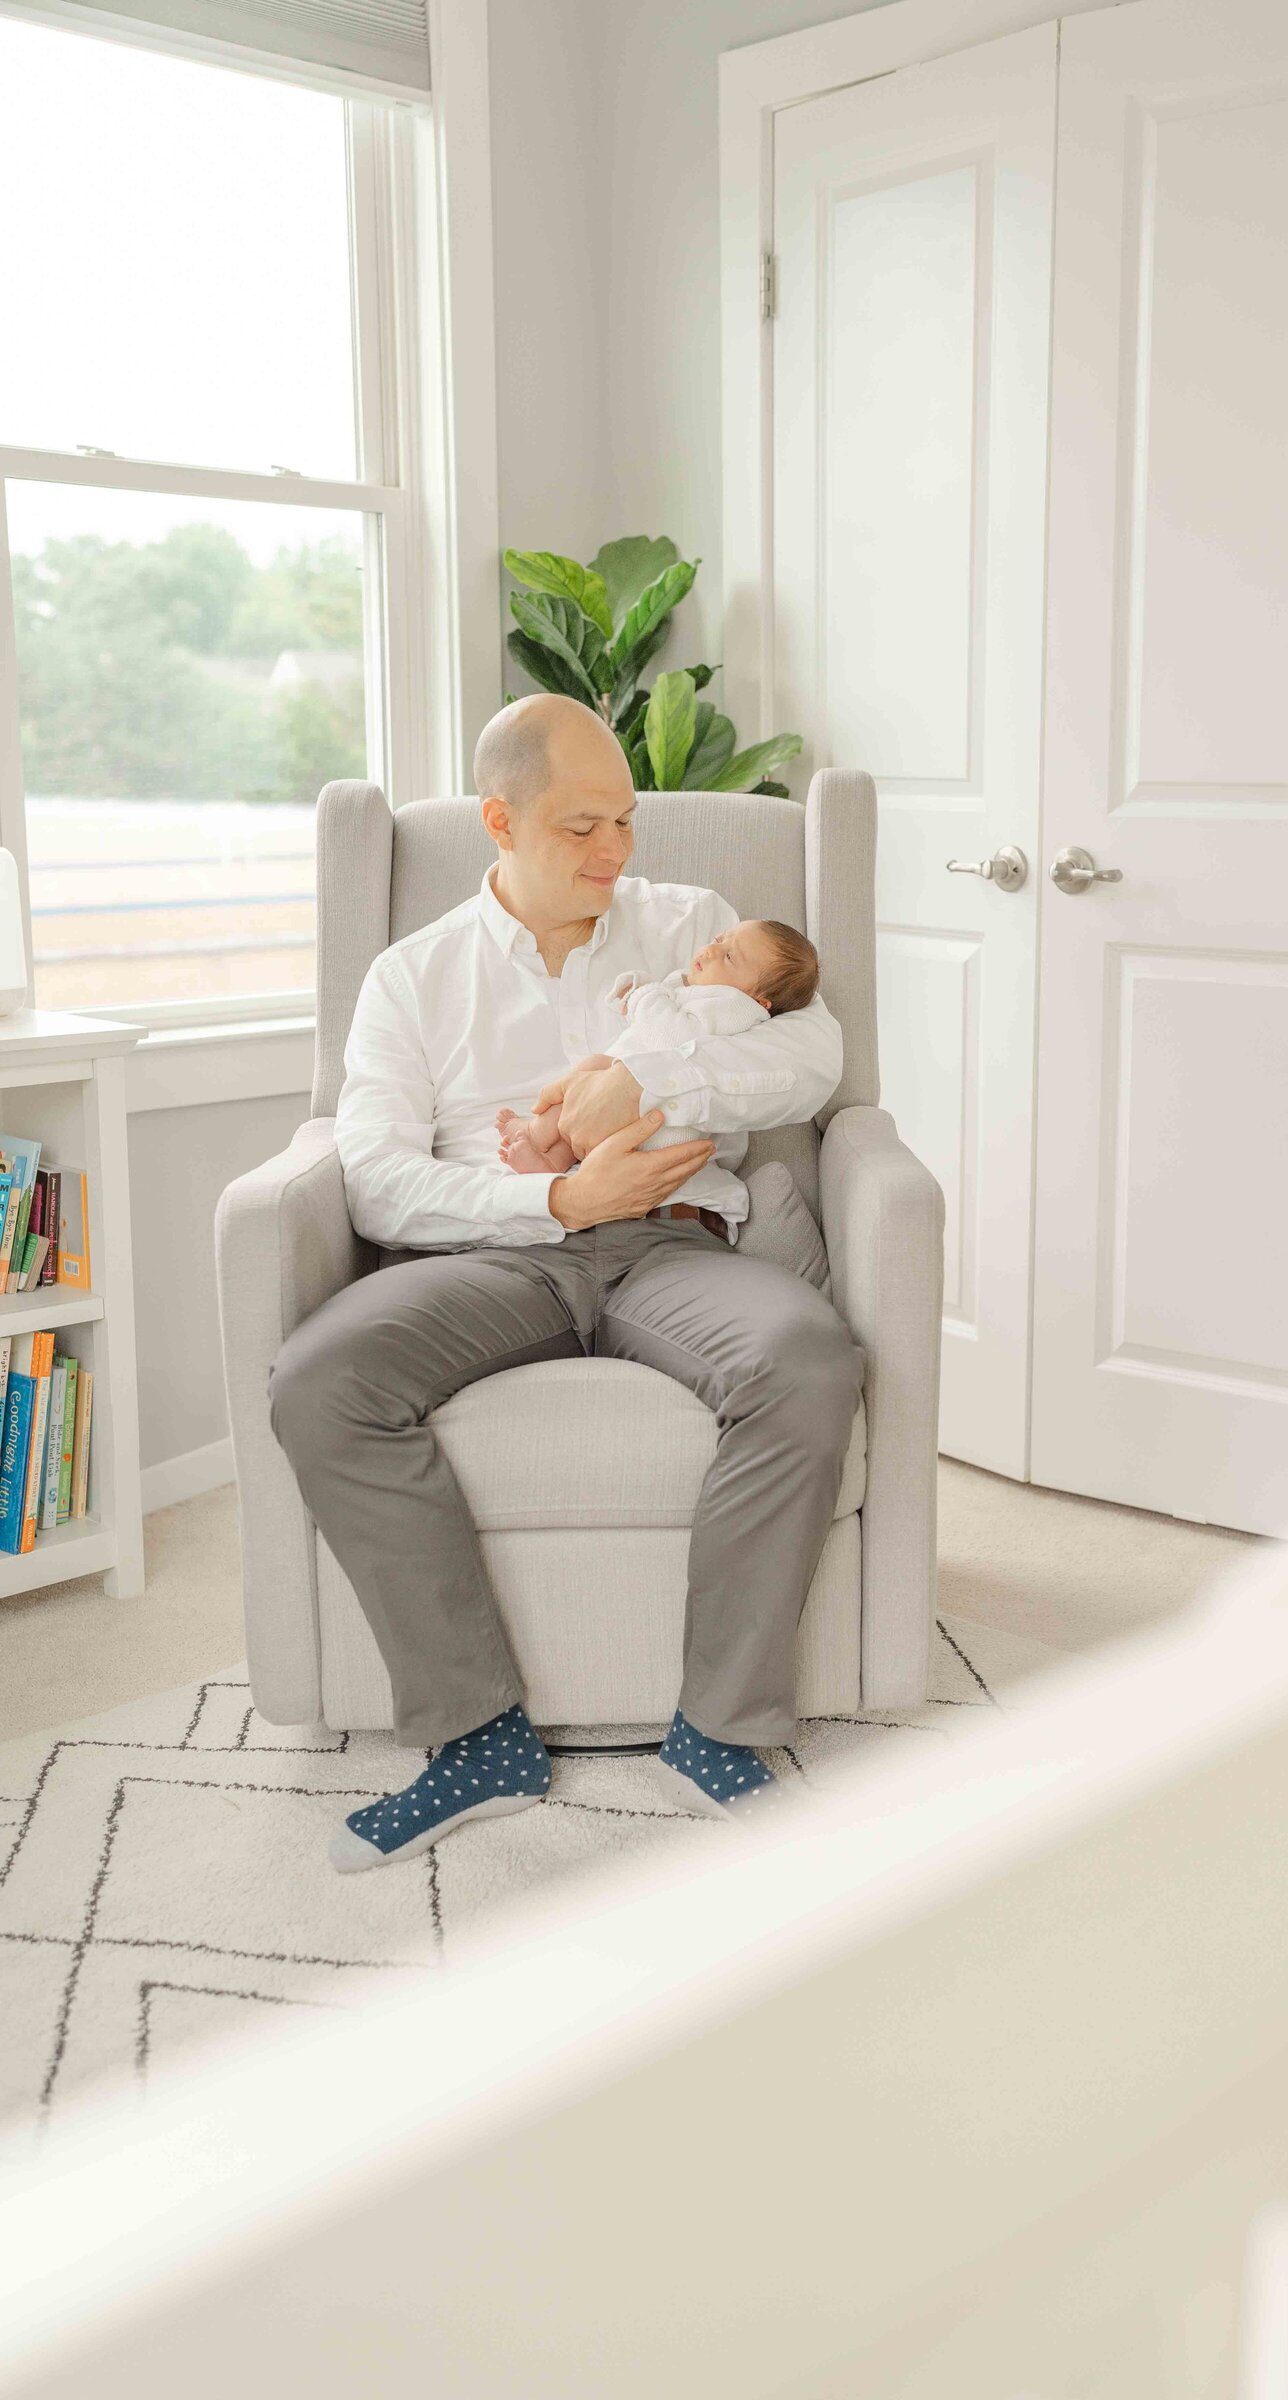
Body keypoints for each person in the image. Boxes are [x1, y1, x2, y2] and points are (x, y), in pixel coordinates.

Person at [266, 694, 864, 1869]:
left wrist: (653, 1099)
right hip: (487, 1255)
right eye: (581, 827)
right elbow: (378, 1176)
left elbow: (812, 1058)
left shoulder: (691, 921)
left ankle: (718, 1731)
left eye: (627, 822)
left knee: (806, 1359)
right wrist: (554, 1200)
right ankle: (478, 1736)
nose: (617, 854)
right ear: (500, 819)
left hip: (672, 1244)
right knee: (320, 1380)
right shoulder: (412, 974)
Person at [493, 917, 819, 1177]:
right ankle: (552, 1163)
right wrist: (647, 991)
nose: (711, 950)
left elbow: (672, 1035)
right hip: (638, 1115)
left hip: (657, 1125)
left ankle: (536, 1133)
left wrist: (643, 996)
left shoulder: (733, 1005)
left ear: (759, 998)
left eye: (730, 957)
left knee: (591, 1068)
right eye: (720, 939)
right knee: (589, 1087)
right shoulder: (711, 993)